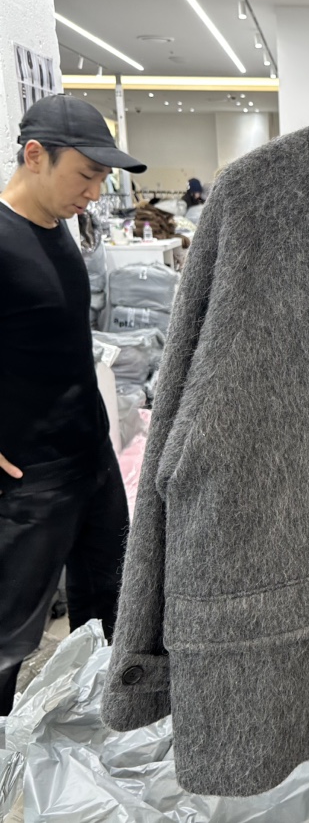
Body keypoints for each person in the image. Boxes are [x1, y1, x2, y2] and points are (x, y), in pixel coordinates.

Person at [0, 95, 147, 715]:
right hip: (30, 475)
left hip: (90, 457)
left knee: (112, 603)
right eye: (86, 175)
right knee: (11, 632)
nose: (94, 192)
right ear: (35, 156)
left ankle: (103, 728)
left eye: (102, 178)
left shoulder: (58, 229)